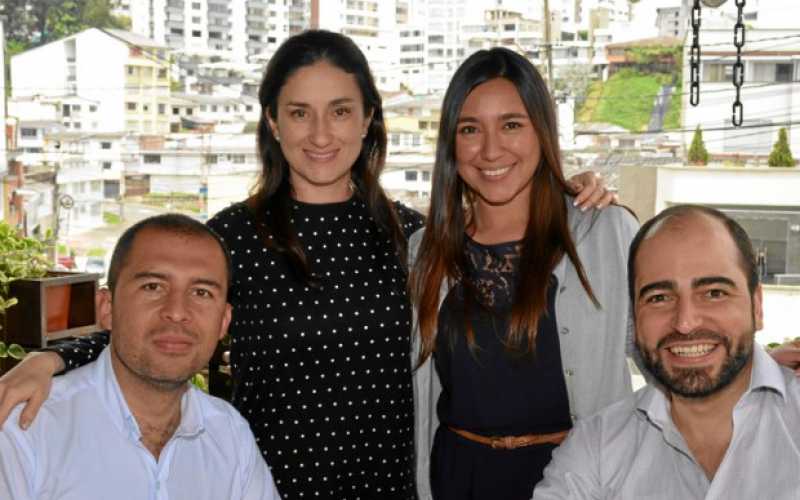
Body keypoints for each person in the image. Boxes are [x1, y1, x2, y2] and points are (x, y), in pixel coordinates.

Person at [0, 31, 613, 499]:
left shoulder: (416, 241)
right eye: (299, 112)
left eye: (341, 111)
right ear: (271, 121)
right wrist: (55, 357)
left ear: (369, 119)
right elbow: (157, 328)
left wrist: (570, 192)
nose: (321, 134)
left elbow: (509, 325)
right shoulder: (232, 239)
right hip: (265, 486)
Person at [408, 47, 640, 500]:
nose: (491, 149)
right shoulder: (424, 251)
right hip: (459, 478)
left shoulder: (605, 231)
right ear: (451, 144)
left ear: (542, 130)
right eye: (470, 129)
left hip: (576, 481)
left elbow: (669, 350)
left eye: (512, 125)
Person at [0, 214, 281, 500]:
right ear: (107, 308)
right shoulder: (25, 431)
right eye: (153, 287)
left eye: (201, 292)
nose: (177, 311)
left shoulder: (230, 435)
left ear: (223, 321)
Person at [532, 205, 800, 500]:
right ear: (633, 316)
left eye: (714, 293)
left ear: (757, 305)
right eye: (659, 298)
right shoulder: (594, 447)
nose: (685, 323)